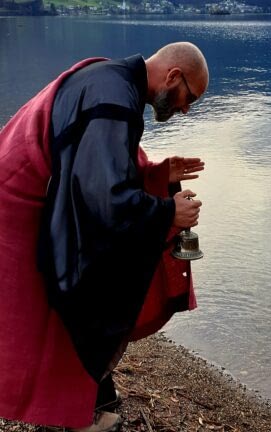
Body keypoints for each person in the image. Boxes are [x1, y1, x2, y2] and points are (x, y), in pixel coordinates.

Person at [0, 42, 209, 432]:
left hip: (33, 194)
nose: (185, 108)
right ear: (173, 76)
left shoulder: (111, 81)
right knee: (63, 308)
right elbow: (104, 196)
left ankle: (86, 401)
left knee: (66, 309)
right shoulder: (113, 98)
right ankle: (77, 414)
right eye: (188, 97)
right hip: (20, 207)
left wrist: (157, 174)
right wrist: (168, 211)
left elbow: (98, 163)